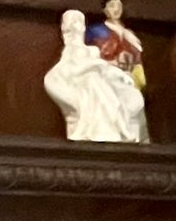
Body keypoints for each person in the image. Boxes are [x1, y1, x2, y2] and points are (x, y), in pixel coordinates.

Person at [44, 8, 147, 144]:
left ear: (83, 27)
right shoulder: (69, 52)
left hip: (97, 81)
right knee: (92, 82)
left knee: (98, 83)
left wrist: (120, 75)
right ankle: (116, 126)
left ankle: (116, 126)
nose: (74, 26)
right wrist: (92, 66)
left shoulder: (92, 50)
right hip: (85, 83)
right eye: (70, 23)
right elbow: (67, 70)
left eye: (77, 22)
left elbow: (105, 69)